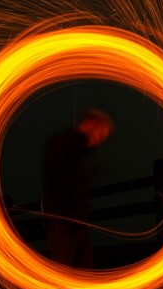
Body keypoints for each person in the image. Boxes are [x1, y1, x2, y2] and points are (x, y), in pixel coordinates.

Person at [42, 109, 114, 268]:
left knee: (83, 270)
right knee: (65, 268)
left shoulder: (76, 149)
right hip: (63, 221)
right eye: (100, 134)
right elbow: (62, 179)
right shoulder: (65, 142)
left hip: (77, 222)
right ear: (91, 124)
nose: (99, 140)